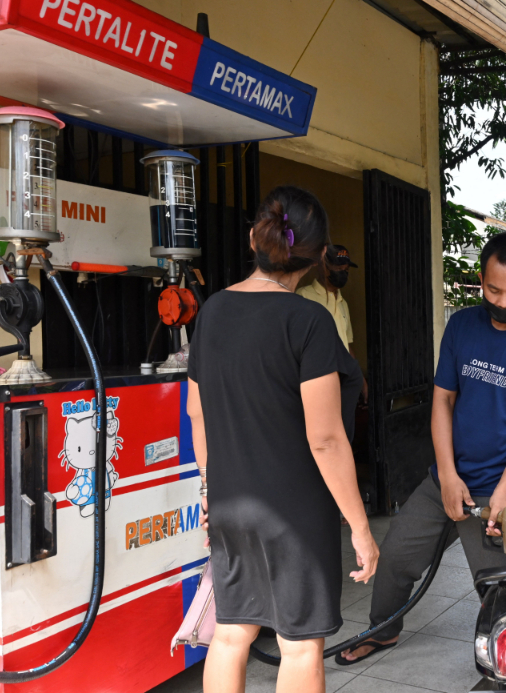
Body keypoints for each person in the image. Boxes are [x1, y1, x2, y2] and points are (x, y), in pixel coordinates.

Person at [337, 232, 506, 665]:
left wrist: (501, 495)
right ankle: (382, 631)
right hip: (447, 478)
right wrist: (446, 475)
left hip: (501, 491)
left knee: (501, 593)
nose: (503, 302)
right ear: (481, 280)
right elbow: (443, 400)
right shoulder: (463, 325)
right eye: (494, 290)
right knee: (396, 558)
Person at [187, 186, 376, 693]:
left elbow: (196, 415)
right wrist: (360, 526)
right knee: (299, 644)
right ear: (317, 257)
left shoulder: (210, 314)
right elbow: (326, 439)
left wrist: (209, 491)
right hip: (295, 514)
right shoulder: (307, 320)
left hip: (229, 503)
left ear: (254, 237)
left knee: (230, 634)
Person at [298, 243, 358, 357]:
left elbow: (347, 343)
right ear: (324, 267)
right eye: (339, 268)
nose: (344, 273)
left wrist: (356, 373)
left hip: (342, 372)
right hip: (321, 371)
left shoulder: (342, 302)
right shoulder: (303, 296)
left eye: (346, 269)